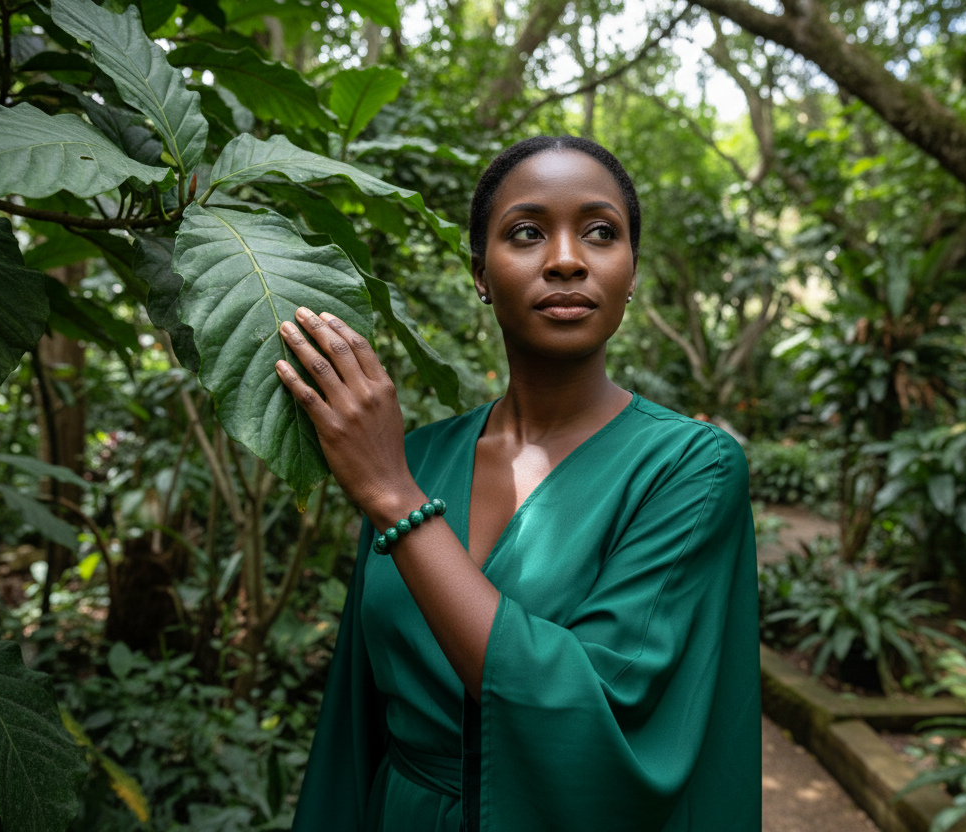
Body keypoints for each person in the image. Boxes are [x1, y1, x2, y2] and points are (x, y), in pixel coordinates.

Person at [277, 135, 759, 832]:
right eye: (527, 233)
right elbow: (356, 717)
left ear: (630, 272)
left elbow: (588, 705)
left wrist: (395, 500)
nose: (566, 260)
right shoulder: (411, 455)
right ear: (480, 273)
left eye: (600, 233)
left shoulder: (691, 467)